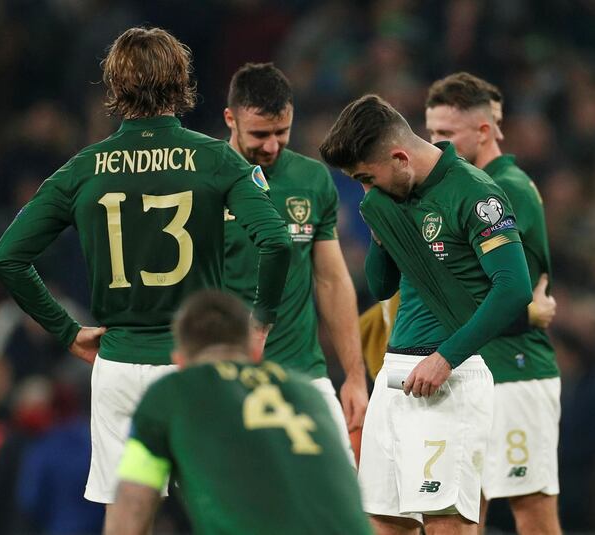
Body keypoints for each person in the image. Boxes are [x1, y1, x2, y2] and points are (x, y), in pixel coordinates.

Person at [0, 27, 291, 517]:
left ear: (114, 88)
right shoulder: (217, 160)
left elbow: (7, 257)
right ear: (181, 82)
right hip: (197, 362)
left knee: (129, 515)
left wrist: (67, 332)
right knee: (219, 510)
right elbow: (276, 241)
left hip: (119, 364)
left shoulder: (84, 168)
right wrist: (259, 323)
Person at [320, 94, 533, 535]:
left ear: (399, 157)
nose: (366, 190)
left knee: (444, 526)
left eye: (366, 177)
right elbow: (381, 287)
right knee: (382, 524)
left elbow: (514, 289)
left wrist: (446, 357)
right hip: (395, 377)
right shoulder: (393, 197)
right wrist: (381, 231)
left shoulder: (475, 194)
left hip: (449, 377)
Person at [105, 290, 372, 535]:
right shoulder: (308, 393)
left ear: (180, 361)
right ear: (255, 352)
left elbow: (132, 504)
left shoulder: (171, 391)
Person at [425, 72, 562, 535]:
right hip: (473, 371)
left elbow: (508, 291)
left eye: (446, 134)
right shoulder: (460, 188)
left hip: (515, 373)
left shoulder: (509, 189)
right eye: (431, 132)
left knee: (532, 514)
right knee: (462, 515)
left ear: (483, 131)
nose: (434, 143)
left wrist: (525, 311)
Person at [222, 62, 368, 461]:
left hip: (304, 375)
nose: (271, 146)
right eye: (259, 134)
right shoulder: (204, 180)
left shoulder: (312, 180)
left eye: (281, 132)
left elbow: (332, 282)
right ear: (230, 119)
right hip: (226, 381)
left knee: (334, 507)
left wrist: (355, 376)